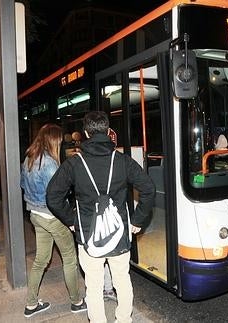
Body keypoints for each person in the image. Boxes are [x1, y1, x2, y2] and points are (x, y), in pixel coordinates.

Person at [46, 111, 155, 323]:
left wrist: (71, 221)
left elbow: (53, 196)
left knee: (93, 285)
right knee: (122, 280)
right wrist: (137, 220)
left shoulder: (74, 164)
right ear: (108, 132)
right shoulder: (123, 161)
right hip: (119, 233)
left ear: (86, 133)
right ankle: (123, 319)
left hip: (88, 235)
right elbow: (149, 189)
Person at [20, 123, 87, 318]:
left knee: (41, 260)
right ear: (53, 140)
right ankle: (76, 301)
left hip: (35, 215)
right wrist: (69, 218)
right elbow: (56, 195)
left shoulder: (29, 158)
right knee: (69, 259)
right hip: (52, 217)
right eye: (59, 141)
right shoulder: (49, 163)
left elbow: (22, 184)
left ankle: (31, 304)